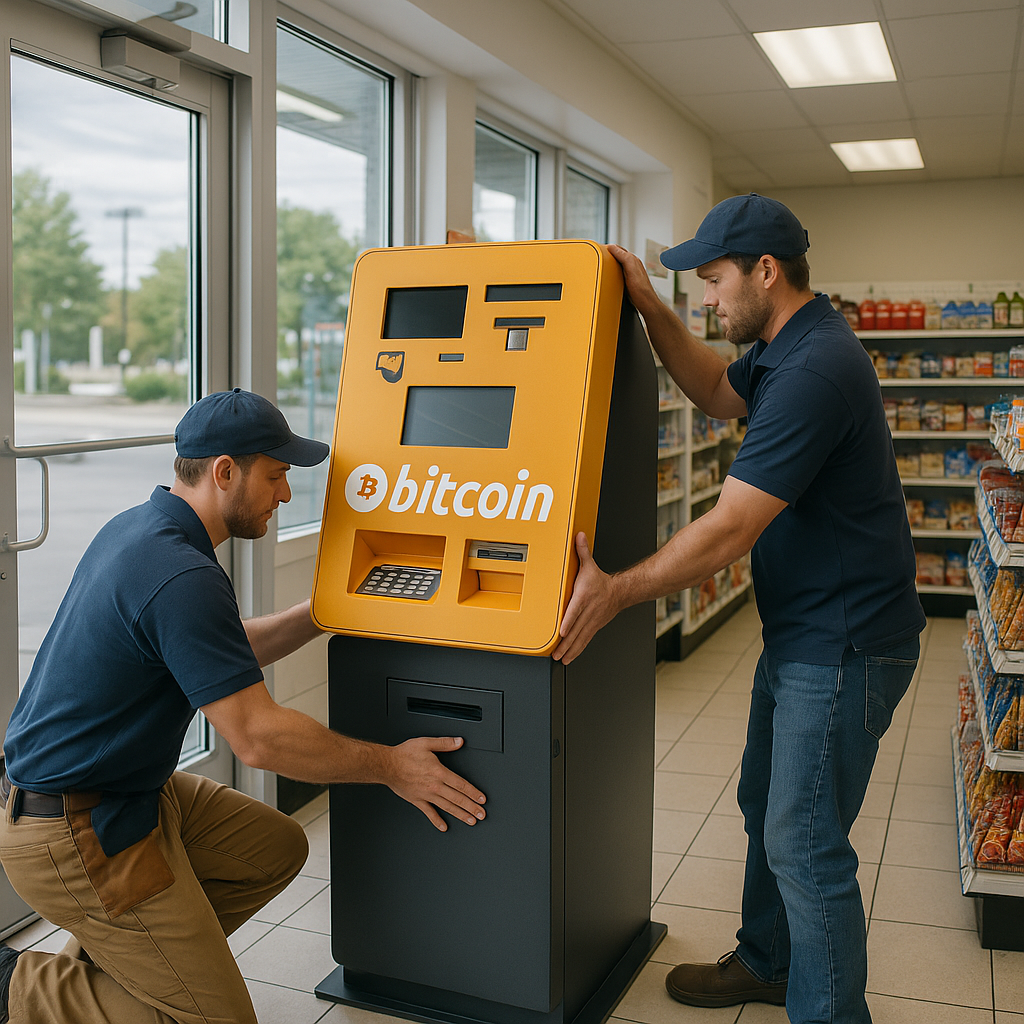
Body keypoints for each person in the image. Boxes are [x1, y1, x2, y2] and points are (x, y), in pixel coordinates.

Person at [0, 388, 487, 1024]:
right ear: (225, 471)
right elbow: (260, 739)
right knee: (214, 1019)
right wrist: (393, 766)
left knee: (274, 848)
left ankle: (124, 963)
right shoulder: (180, 573)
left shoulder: (145, 529)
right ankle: (20, 985)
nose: (286, 495)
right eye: (277, 475)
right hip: (78, 828)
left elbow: (221, 653)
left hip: (126, 794)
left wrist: (321, 614)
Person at [552, 194, 925, 1024]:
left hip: (845, 644)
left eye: (714, 282)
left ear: (766, 271)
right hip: (807, 632)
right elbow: (717, 392)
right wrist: (649, 304)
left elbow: (728, 529)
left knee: (805, 841)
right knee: (767, 805)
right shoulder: (783, 346)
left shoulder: (814, 368)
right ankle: (767, 960)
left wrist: (615, 589)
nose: (709, 300)